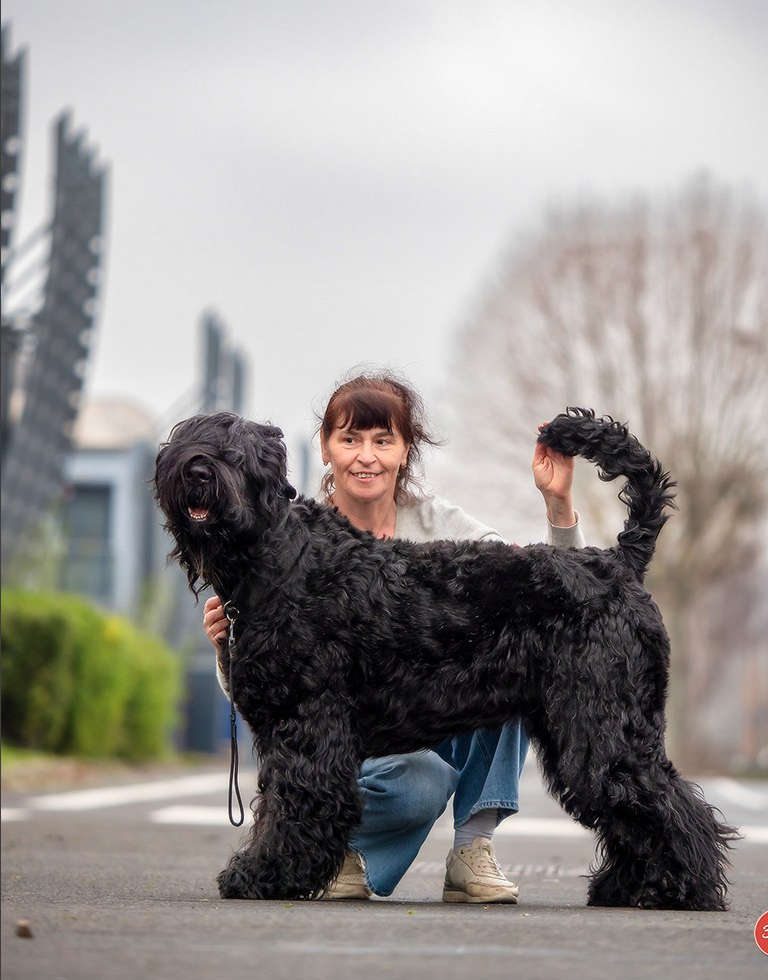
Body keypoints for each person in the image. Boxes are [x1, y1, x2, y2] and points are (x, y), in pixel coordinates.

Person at [203, 368, 585, 903]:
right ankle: (337, 851)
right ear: (327, 448)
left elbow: (554, 605)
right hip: (356, 744)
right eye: (350, 438)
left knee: (517, 641)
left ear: (407, 451)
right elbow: (274, 699)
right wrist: (229, 649)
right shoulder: (285, 547)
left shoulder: (441, 526)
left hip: (430, 717)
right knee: (415, 783)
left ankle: (473, 847)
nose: (366, 456)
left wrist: (558, 505)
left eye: (383, 440)